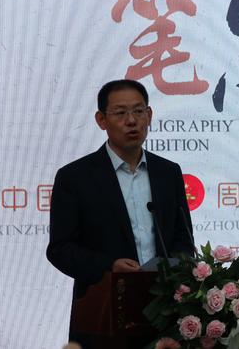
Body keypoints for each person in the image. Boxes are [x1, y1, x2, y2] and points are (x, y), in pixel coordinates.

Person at [46, 79, 194, 347]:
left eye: (138, 111)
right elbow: (60, 249)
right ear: (101, 120)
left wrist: (174, 270)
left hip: (166, 315)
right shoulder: (75, 177)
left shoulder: (168, 173)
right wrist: (109, 266)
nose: (132, 121)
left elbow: (183, 241)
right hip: (103, 316)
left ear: (149, 115)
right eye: (120, 112)